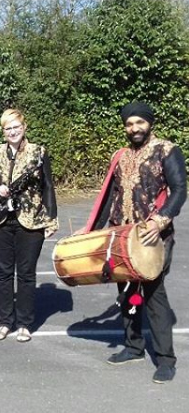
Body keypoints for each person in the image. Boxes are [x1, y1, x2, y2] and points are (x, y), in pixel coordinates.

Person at [88, 102, 186, 383]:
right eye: (129, 124)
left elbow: (179, 190)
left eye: (139, 123)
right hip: (122, 237)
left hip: (154, 236)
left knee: (155, 295)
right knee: (128, 292)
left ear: (149, 123)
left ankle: (166, 359)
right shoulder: (119, 156)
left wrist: (160, 221)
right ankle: (133, 346)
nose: (134, 128)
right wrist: (92, 231)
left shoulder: (166, 150)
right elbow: (109, 197)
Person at [0, 108, 58, 342]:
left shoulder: (38, 153)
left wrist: (52, 219)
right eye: (7, 128)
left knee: (25, 274)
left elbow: (48, 187)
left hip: (31, 220)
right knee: (2, 273)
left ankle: (24, 323)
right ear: (3, 131)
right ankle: (4, 322)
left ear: (24, 128)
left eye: (16, 127)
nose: (12, 131)